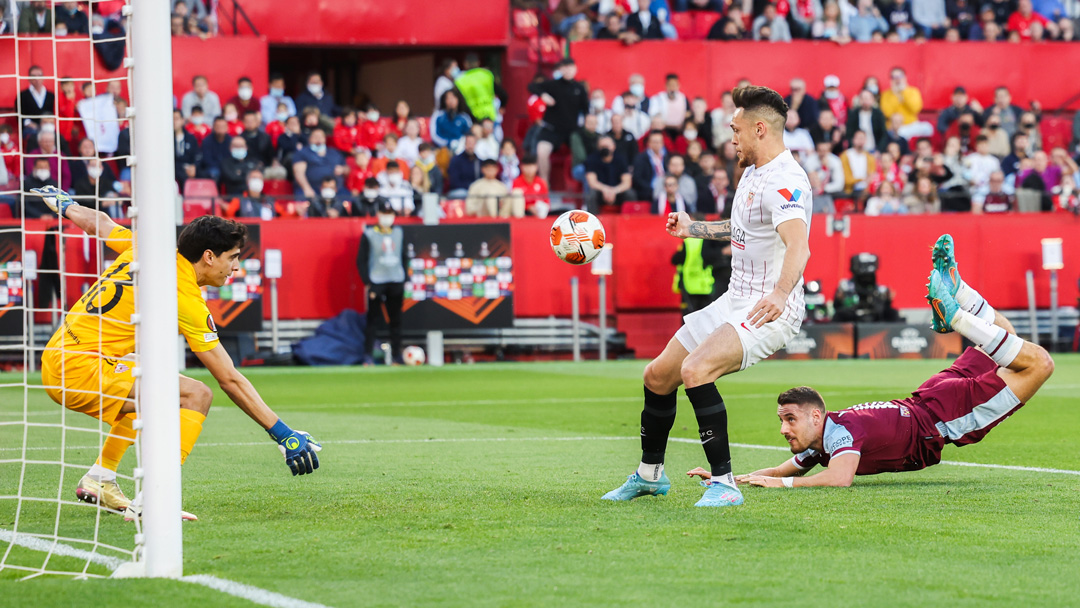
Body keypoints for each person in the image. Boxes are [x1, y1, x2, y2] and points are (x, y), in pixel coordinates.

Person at [32, 187, 322, 517]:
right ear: (210, 256)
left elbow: (98, 222)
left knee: (149, 375)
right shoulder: (185, 297)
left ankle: (101, 477)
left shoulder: (148, 249)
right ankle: (158, 495)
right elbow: (229, 378)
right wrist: (283, 433)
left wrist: (66, 205)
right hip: (80, 369)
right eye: (233, 258)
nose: (236, 268)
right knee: (196, 395)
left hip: (60, 354)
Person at [693, 237, 1053, 490]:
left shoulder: (839, 435)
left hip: (941, 418)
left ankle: (957, 318)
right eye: (783, 420)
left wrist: (779, 483)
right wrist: (726, 479)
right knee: (1004, 332)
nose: (783, 429)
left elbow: (839, 479)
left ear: (816, 416)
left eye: (790, 419)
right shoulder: (821, 442)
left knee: (1039, 364)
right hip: (928, 398)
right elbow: (774, 470)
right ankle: (960, 292)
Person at [602, 86, 812, 508]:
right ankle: (650, 476)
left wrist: (780, 293)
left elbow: (799, 247)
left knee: (696, 370)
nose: (730, 138)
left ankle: (725, 483)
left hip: (770, 308)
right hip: (735, 299)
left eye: (735, 130)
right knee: (658, 376)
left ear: (759, 129)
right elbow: (740, 229)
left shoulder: (787, 181)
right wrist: (693, 228)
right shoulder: (752, 170)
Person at [358, 200, 407, 365]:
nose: (387, 217)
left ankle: (396, 356)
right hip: (377, 281)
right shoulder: (370, 233)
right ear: (378, 215)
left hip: (395, 280)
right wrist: (368, 282)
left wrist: (404, 277)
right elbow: (361, 260)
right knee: (372, 320)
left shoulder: (399, 232)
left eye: (390, 214)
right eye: (384, 214)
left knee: (396, 320)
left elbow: (404, 256)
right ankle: (368, 355)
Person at [528, 58, 589, 183]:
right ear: (560, 70)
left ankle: (578, 181)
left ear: (575, 69)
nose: (568, 71)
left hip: (571, 131)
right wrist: (544, 95)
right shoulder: (552, 85)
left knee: (583, 152)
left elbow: (586, 110)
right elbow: (532, 86)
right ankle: (545, 183)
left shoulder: (579, 88)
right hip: (552, 129)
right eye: (565, 68)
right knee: (541, 152)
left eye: (570, 67)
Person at [584, 135, 635, 213]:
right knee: (591, 194)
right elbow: (592, 183)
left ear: (613, 146)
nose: (605, 149)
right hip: (601, 192)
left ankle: (629, 220)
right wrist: (605, 190)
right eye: (602, 146)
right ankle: (593, 221)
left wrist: (615, 191)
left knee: (630, 193)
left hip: (617, 192)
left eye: (607, 146)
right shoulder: (591, 159)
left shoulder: (621, 159)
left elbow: (627, 182)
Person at [880, 67, 933, 140]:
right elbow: (887, 113)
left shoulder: (913, 91)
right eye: (894, 77)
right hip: (895, 127)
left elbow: (915, 109)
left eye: (899, 76)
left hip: (912, 125)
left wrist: (904, 92)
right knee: (901, 133)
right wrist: (895, 94)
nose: (897, 79)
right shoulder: (886, 94)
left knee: (928, 128)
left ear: (905, 77)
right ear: (891, 79)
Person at [292, 128, 345, 199]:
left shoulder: (334, 153)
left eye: (321, 136)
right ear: (310, 139)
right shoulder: (303, 153)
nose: (318, 139)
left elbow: (347, 169)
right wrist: (306, 188)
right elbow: (299, 173)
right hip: (312, 189)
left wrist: (343, 169)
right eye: (315, 136)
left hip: (335, 189)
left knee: (351, 200)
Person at [454, 53, 506, 123]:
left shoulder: (460, 80)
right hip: (489, 116)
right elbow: (503, 94)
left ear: (465, 64)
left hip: (471, 117)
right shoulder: (487, 75)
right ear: (478, 62)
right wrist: (502, 107)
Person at [632, 130, 669, 203]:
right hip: (648, 190)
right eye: (654, 142)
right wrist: (651, 189)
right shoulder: (641, 158)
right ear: (649, 143)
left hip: (667, 188)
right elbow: (637, 178)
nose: (657, 144)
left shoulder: (667, 157)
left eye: (659, 142)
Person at [649, 74, 689, 141]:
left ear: (678, 86)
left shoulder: (683, 98)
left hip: (680, 132)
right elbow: (653, 115)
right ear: (666, 86)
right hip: (663, 132)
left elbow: (688, 113)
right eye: (670, 85)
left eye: (674, 85)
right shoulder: (658, 99)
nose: (672, 88)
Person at [841, 130, 876, 197]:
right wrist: (862, 179)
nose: (860, 141)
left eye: (862, 138)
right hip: (850, 191)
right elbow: (846, 179)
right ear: (853, 140)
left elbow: (872, 176)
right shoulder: (845, 155)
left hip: (866, 191)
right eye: (858, 138)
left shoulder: (870, 157)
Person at [447, 133, 482, 198]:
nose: (470, 146)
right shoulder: (456, 160)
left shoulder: (479, 161)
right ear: (465, 144)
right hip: (460, 191)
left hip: (476, 192)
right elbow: (454, 182)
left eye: (472, 143)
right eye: (468, 143)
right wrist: (471, 187)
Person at [173, 109, 200, 190]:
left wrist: (194, 166)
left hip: (189, 168)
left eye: (176, 118)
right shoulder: (166, 140)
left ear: (182, 120)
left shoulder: (190, 138)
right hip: (174, 169)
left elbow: (197, 155)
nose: (174, 122)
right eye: (172, 118)